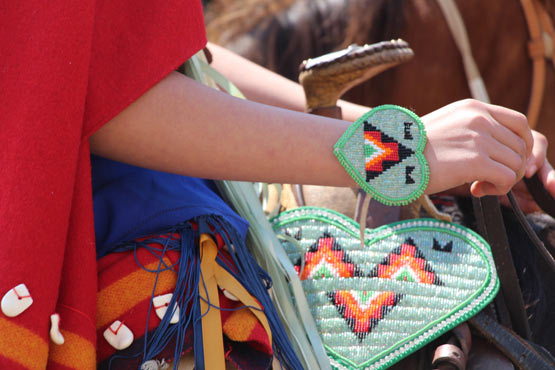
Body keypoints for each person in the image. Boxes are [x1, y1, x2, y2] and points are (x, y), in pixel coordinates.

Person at [1, 0, 554, 369]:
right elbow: (94, 94)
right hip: (91, 239)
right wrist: (399, 150)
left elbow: (179, 62)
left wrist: (418, 137)